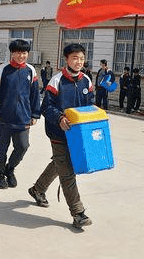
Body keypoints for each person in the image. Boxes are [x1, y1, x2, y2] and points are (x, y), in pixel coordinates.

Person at [28, 43, 94, 229]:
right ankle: (78, 212)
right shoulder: (56, 81)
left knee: (60, 163)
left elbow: (90, 105)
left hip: (78, 134)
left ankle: (37, 189)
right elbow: (46, 107)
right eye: (75, 58)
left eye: (81, 58)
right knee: (67, 173)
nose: (79, 62)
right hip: (58, 134)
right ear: (66, 60)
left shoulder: (86, 81)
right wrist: (59, 119)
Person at [0, 39, 41, 189]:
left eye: (24, 52)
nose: (21, 55)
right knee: (1, 149)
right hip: (4, 118)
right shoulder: (2, 70)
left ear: (27, 54)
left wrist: (35, 114)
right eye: (17, 52)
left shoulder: (30, 70)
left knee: (23, 146)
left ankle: (10, 169)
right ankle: (0, 175)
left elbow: (35, 95)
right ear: (12, 53)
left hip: (23, 118)